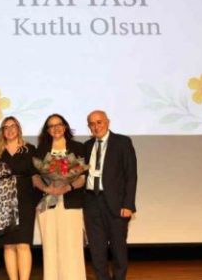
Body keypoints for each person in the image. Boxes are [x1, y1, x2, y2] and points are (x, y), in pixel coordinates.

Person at [83, 110, 137, 280]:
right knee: (97, 250)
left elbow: (131, 175)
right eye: (92, 124)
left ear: (108, 122)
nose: (96, 126)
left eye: (99, 122)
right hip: (91, 202)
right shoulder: (87, 146)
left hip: (116, 204)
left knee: (118, 249)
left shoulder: (122, 142)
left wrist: (128, 204)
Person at [32, 114, 87, 280]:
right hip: (48, 202)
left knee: (72, 245)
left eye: (59, 124)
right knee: (50, 246)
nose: (55, 128)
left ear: (65, 127)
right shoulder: (41, 149)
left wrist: (68, 187)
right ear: (47, 130)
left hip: (71, 202)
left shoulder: (78, 147)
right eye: (51, 126)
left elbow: (82, 177)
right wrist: (47, 188)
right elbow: (34, 176)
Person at [0, 116, 38, 280]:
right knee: (8, 246)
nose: (10, 130)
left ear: (18, 128)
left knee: (23, 245)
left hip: (25, 201)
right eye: (6, 127)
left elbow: (36, 176)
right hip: (3, 203)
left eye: (13, 126)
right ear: (2, 132)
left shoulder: (29, 149)